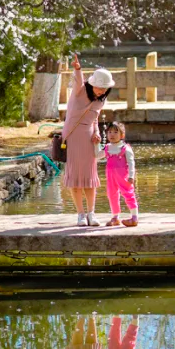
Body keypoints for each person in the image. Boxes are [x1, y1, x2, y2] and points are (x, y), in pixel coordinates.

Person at [62, 53, 113, 227]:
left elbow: (95, 119)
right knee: (75, 179)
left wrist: (96, 133)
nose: (101, 91)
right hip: (73, 137)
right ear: (92, 84)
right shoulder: (80, 91)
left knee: (90, 178)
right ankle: (80, 214)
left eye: (104, 88)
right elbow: (78, 79)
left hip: (89, 139)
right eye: (99, 87)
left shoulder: (101, 101)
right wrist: (77, 69)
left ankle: (91, 213)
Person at [100, 122, 138, 227]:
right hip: (110, 176)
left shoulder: (125, 148)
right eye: (110, 132)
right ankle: (115, 217)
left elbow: (131, 163)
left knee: (128, 194)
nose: (112, 134)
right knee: (112, 194)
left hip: (123, 176)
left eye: (116, 132)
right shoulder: (107, 147)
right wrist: (95, 143)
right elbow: (96, 155)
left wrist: (131, 176)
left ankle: (134, 217)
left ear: (122, 135)